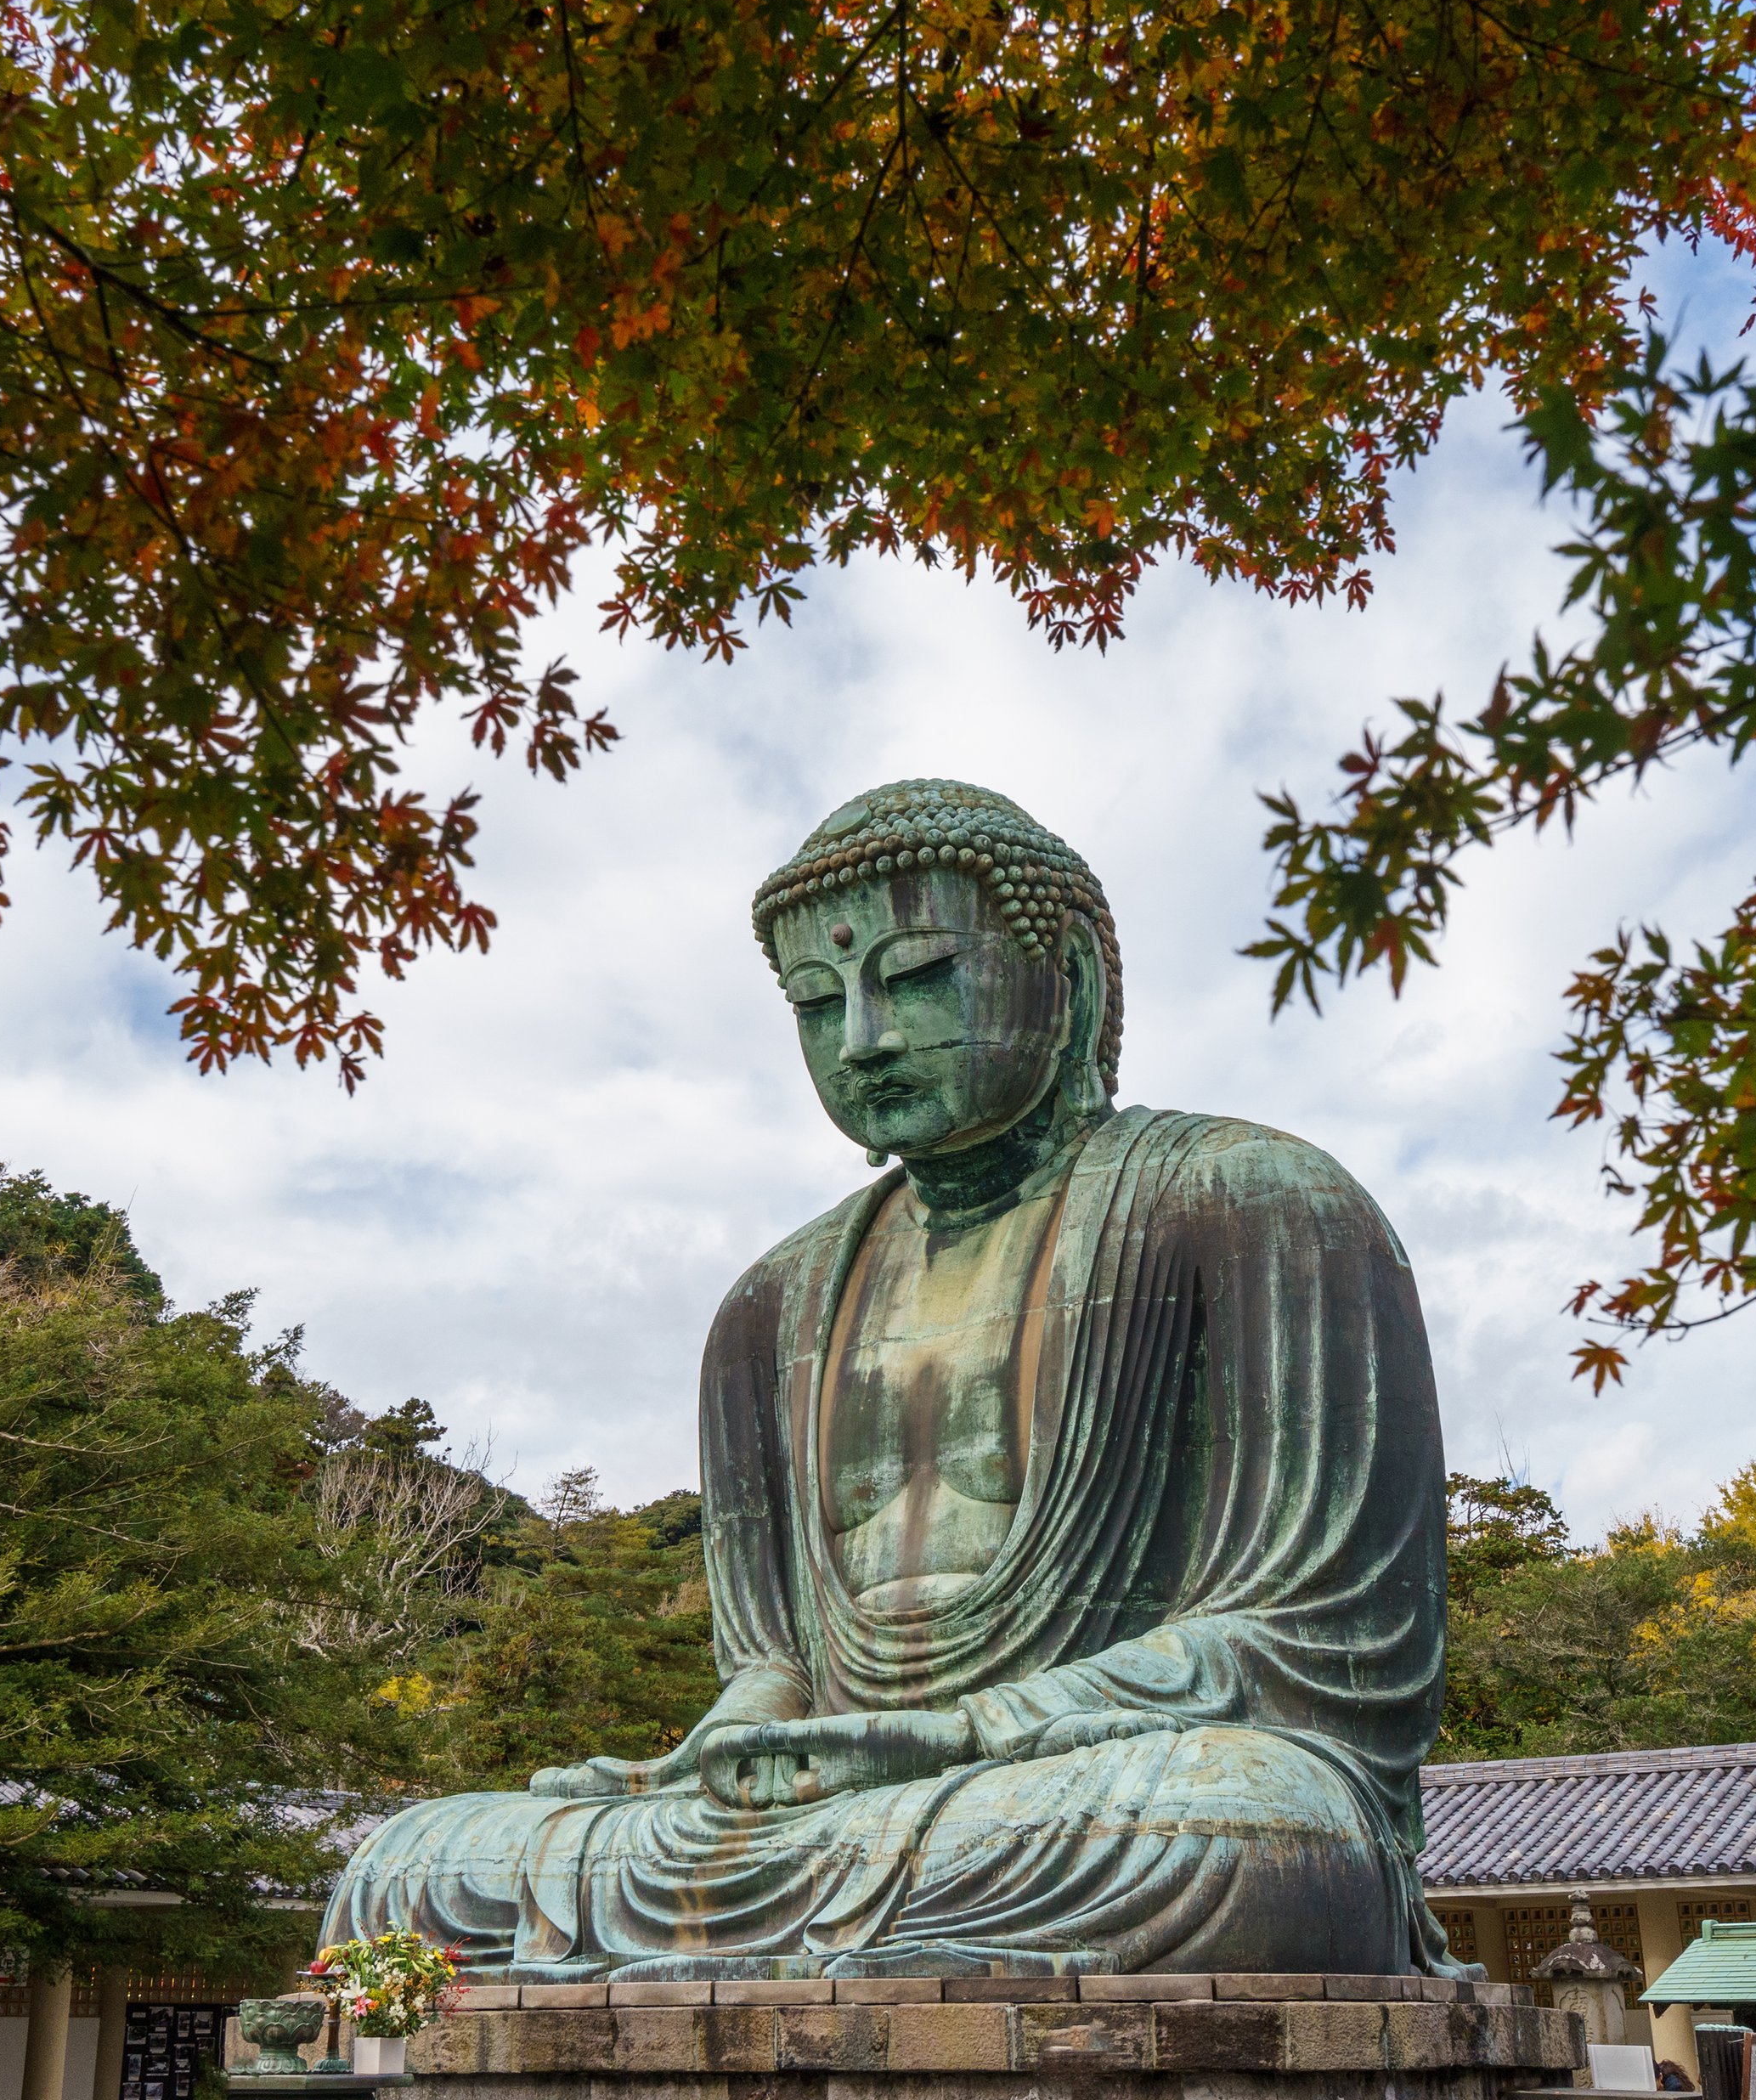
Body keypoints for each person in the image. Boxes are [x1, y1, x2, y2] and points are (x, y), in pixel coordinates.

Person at [325, 779, 1462, 1977]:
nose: (863, 1040)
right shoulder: (772, 1306)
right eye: (819, 1002)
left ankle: (799, 1943)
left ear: (1064, 977)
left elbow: (1327, 1648)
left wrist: (961, 1732)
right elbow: (778, 1662)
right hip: (847, 1816)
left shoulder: (1255, 1204)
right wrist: (724, 1752)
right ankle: (834, 1942)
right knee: (405, 1868)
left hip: (1098, 1785)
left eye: (915, 977)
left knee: (1249, 1833)